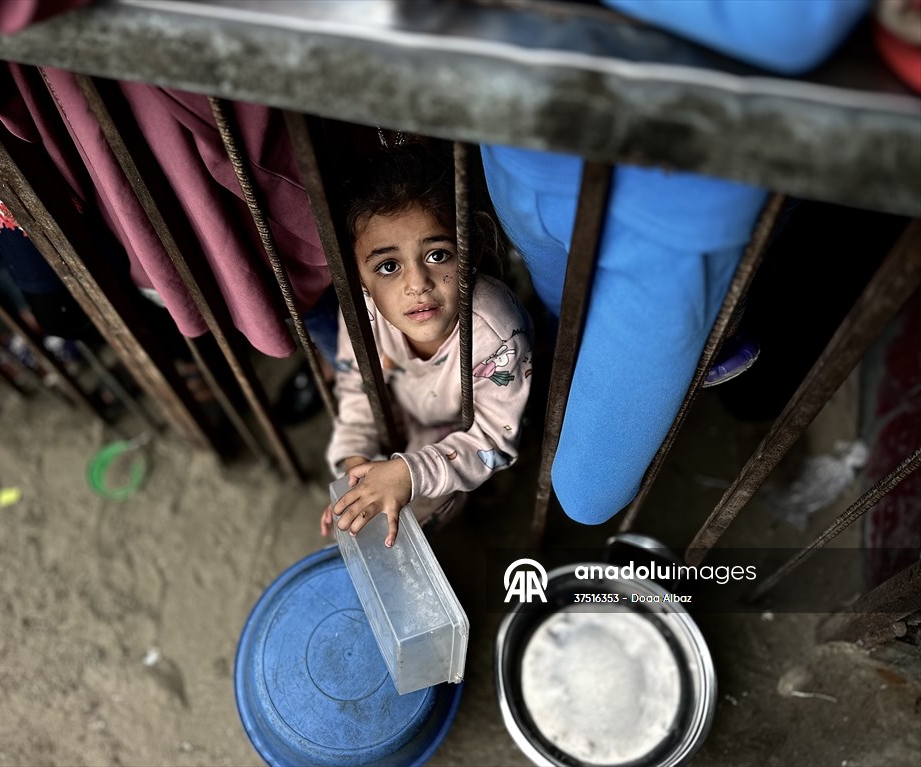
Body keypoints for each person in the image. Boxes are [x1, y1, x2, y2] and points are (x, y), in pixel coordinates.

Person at [480, 0, 871, 526]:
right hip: (517, 141)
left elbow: (790, 24)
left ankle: (710, 320)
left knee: (585, 494)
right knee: (558, 323)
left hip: (671, 211)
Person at [320, 145, 533, 547]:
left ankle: (460, 510)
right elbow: (357, 388)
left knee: (419, 508)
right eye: (388, 266)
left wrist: (408, 474)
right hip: (407, 408)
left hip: (467, 426)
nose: (417, 284)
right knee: (365, 499)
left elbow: (495, 439)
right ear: (359, 277)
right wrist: (356, 467)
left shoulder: (495, 328)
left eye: (438, 255)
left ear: (471, 254)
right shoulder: (361, 312)